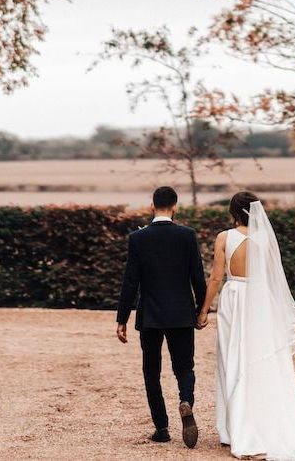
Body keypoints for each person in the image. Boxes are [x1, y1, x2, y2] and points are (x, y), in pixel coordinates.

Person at [197, 191, 295, 459]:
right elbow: (274, 279)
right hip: (258, 300)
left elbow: (215, 278)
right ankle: (259, 423)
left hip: (233, 298)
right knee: (258, 360)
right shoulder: (264, 238)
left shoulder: (224, 237)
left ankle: (234, 430)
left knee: (232, 358)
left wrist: (204, 310)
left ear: (232, 212)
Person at [115, 186, 206, 448]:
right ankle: (185, 400)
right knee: (184, 367)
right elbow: (197, 277)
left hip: (151, 316)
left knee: (151, 371)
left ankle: (162, 428)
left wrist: (121, 318)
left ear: (152, 206)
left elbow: (130, 282)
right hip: (181, 314)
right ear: (175, 206)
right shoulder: (187, 236)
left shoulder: (138, 238)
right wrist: (202, 310)